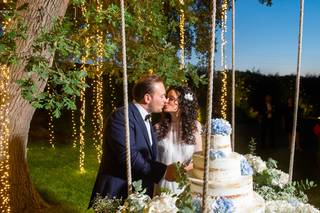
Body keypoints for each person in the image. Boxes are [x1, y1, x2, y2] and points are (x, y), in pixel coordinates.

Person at [88, 74, 178, 208]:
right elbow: (129, 156)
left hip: (138, 195)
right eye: (162, 96)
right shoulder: (122, 117)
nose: (165, 100)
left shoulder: (146, 118)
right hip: (117, 195)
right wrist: (163, 171)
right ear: (148, 98)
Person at [155, 86, 202, 194]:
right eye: (166, 97)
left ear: (182, 103)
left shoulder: (194, 127)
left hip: (185, 183)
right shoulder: (157, 128)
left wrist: (182, 171)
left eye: (171, 98)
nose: (166, 101)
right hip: (163, 182)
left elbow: (198, 158)